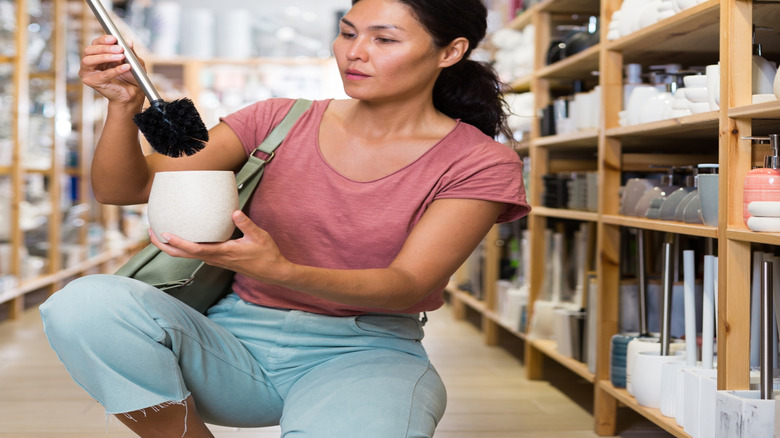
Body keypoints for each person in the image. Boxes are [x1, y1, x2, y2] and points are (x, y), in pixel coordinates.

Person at [40, 0, 530, 436]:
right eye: (347, 32)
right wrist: (125, 106)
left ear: (450, 51)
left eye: (384, 39)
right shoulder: (276, 120)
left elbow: (407, 283)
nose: (354, 52)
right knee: (83, 304)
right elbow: (123, 188)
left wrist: (279, 269)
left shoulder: (479, 162)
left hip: (365, 354)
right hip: (230, 345)